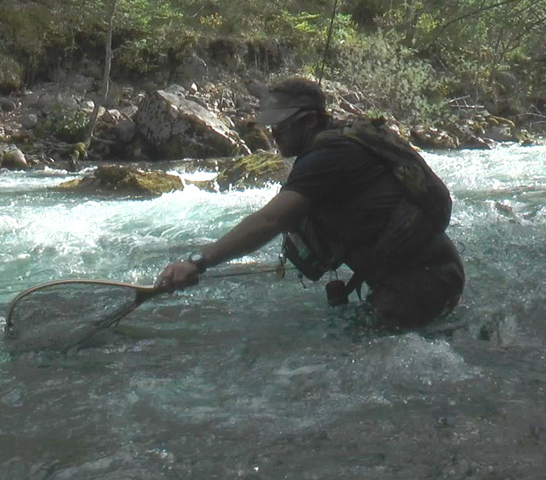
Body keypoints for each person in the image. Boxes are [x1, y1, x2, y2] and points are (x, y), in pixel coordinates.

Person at [155, 77, 465, 329]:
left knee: (356, 364)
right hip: (426, 274)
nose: (273, 133)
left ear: (308, 121)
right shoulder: (334, 146)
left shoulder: (328, 157)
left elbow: (271, 221)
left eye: (281, 124)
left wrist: (197, 262)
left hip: (424, 278)